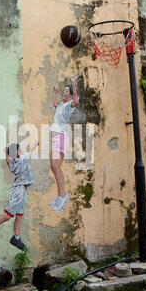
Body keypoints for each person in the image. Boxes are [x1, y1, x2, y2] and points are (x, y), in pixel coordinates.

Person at [49, 73, 80, 213]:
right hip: (56, 139)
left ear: (71, 94)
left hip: (60, 138)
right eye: (64, 91)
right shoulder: (62, 104)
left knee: (56, 166)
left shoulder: (69, 105)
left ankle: (62, 195)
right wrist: (54, 94)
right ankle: (60, 194)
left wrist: (73, 83)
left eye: (66, 91)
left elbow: (76, 100)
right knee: (54, 167)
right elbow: (55, 104)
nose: (64, 92)